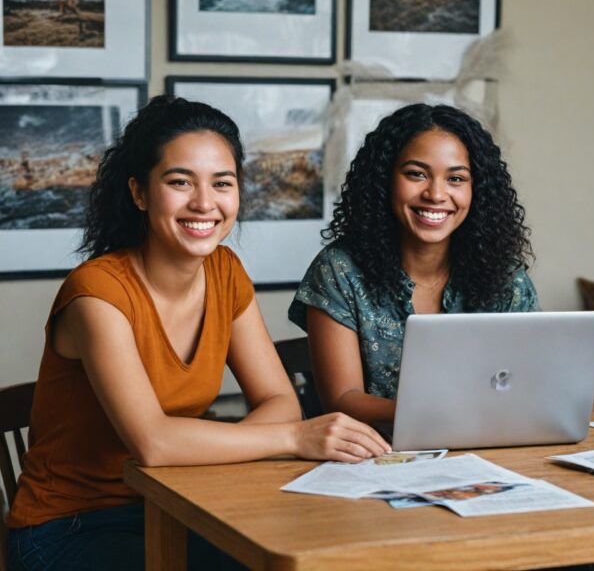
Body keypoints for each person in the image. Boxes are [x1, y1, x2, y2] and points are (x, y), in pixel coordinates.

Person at [6, 96, 389, 571]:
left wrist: (216, 452)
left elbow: (280, 400)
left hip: (181, 501)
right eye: (180, 182)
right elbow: (155, 443)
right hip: (69, 527)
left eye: (222, 183)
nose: (204, 203)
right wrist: (294, 438)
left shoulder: (226, 272)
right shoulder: (96, 295)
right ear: (140, 193)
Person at [289, 103, 537, 425]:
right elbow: (342, 400)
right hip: (375, 457)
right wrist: (437, 415)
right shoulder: (339, 271)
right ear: (385, 180)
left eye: (456, 179)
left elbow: (528, 386)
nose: (436, 194)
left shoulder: (506, 279)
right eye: (416, 174)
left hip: (487, 448)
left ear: (477, 190)